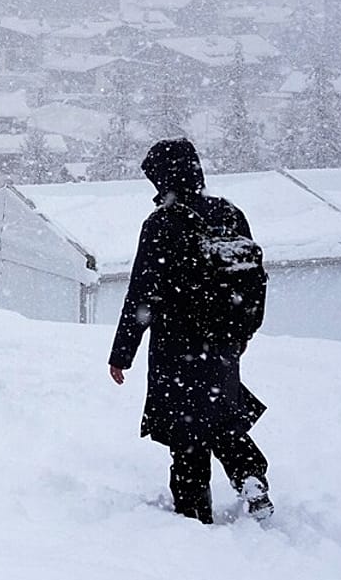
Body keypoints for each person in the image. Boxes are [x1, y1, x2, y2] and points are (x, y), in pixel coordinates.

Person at [108, 138, 274, 524]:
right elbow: (248, 280)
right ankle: (250, 476)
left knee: (186, 432)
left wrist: (122, 354)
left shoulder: (161, 223)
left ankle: (194, 517)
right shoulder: (229, 213)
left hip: (176, 342)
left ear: (163, 178)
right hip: (224, 341)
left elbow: (142, 295)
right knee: (221, 415)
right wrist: (241, 334)